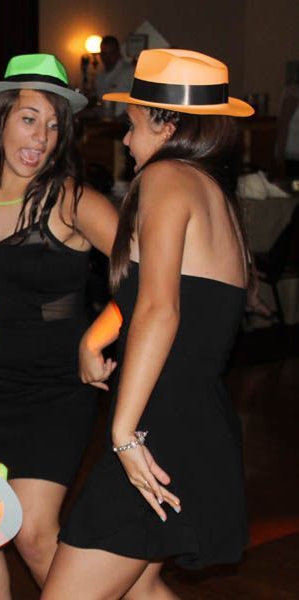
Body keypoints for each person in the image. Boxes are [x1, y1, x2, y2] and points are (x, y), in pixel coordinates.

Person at [44, 49, 253, 599]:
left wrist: (122, 433)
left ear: (169, 122)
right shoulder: (213, 194)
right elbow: (171, 294)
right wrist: (99, 331)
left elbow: (163, 308)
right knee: (140, 591)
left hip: (158, 431)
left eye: (132, 127)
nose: (126, 142)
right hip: (192, 422)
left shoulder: (166, 179)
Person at [0, 53, 119, 597]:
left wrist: (98, 334)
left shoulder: (71, 199)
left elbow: (153, 275)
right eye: (30, 119)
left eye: (54, 125)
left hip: (54, 394)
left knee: (31, 533)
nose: (43, 137)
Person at [94, 36, 135, 118]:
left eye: (111, 53)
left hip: (125, 123)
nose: (107, 57)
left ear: (118, 52)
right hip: (105, 122)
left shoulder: (130, 72)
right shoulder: (99, 76)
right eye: (104, 54)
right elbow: (100, 102)